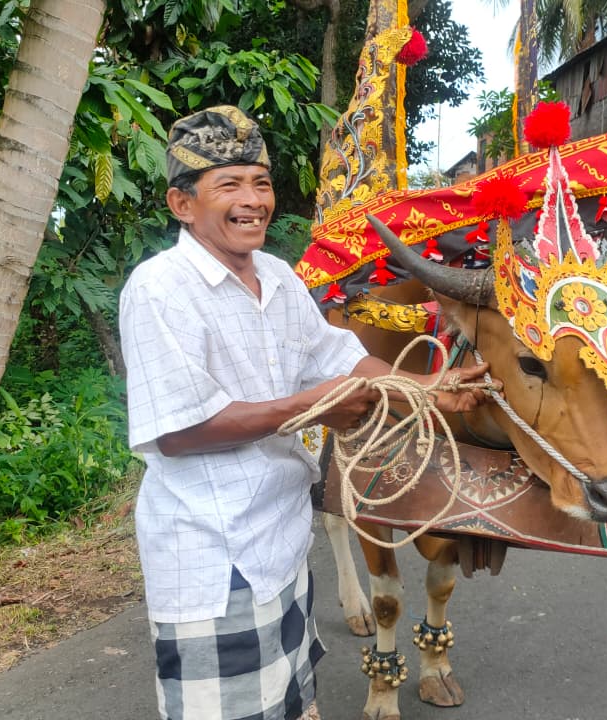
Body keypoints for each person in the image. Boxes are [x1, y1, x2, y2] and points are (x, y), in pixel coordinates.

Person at [118, 105, 492, 720]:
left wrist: (431, 386)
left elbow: (341, 359)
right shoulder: (160, 288)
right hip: (217, 555)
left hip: (283, 543)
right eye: (229, 185)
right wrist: (317, 405)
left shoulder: (278, 276)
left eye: (260, 183)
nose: (252, 200)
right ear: (182, 205)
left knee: (293, 703)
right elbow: (180, 431)